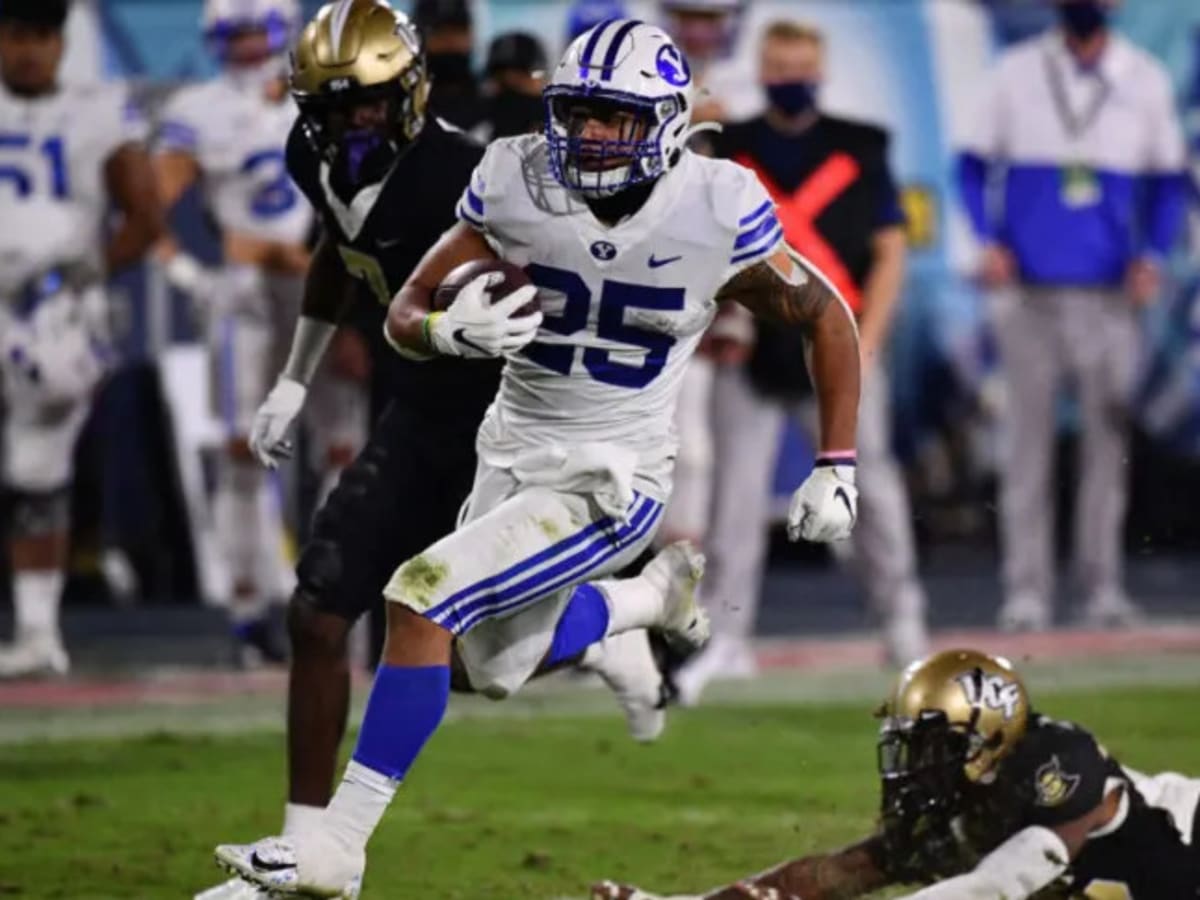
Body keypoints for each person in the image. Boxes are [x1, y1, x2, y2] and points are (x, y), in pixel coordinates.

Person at [214, 16, 862, 898]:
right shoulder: (515, 177)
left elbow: (826, 315)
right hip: (510, 451)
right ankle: (640, 603)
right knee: (489, 666)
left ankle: (336, 851)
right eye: (578, 113)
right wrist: (445, 329)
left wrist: (836, 460)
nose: (591, 135)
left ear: (669, 122)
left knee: (419, 597)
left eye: (615, 118)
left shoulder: (715, 207)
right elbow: (406, 309)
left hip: (612, 474)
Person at [195, 4, 683, 898]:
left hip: (508, 429)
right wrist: (295, 379)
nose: (354, 124)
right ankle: (303, 857)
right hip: (414, 414)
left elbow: (574, 277)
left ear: (411, 92)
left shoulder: (468, 174)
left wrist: (500, 327)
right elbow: (339, 253)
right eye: (335, 107)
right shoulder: (315, 158)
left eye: (373, 104)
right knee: (319, 608)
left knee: (472, 660)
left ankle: (616, 623)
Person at [676, 20, 926, 705]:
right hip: (753, 348)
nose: (791, 75)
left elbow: (890, 253)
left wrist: (865, 341)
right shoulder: (730, 148)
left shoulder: (860, 147)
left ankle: (902, 624)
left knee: (872, 488)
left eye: (801, 64)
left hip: (836, 344)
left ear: (820, 68)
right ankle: (725, 635)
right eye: (779, 63)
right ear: (760, 68)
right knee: (732, 502)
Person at [594, 647, 1200, 900]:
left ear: (985, 739)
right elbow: (838, 873)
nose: (916, 764)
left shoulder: (1054, 762)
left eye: (932, 745)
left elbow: (999, 883)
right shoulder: (960, 811)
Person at [958, 0, 1188, 632]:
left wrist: (1153, 256)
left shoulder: (1142, 77)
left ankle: (1102, 588)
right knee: (1026, 448)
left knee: (1106, 449)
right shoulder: (1017, 71)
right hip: (1028, 294)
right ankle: (1025, 591)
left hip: (1111, 298)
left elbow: (1169, 182)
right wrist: (988, 241)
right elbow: (973, 165)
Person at [155, 0, 367, 666]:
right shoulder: (200, 109)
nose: (249, 47)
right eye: (236, 33)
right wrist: (189, 271)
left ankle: (336, 589)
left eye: (258, 32)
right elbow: (147, 203)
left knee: (343, 447)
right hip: (247, 297)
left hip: (325, 280)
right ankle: (249, 607)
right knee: (246, 448)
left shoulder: (326, 90)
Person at [0, 0, 163, 678]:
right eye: (17, 35)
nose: (31, 50)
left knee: (37, 467)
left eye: (43, 35)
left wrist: (88, 272)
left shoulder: (101, 108)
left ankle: (39, 633)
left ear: (62, 41)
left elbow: (145, 212)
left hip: (51, 309)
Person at [411, 0, 486, 132]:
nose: (451, 41)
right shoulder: (401, 105)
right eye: (439, 33)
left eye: (458, 32)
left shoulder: (490, 101)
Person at [472, 31, 548, 143]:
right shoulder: (475, 138)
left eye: (521, 79)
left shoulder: (563, 136)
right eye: (502, 81)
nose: (513, 88)